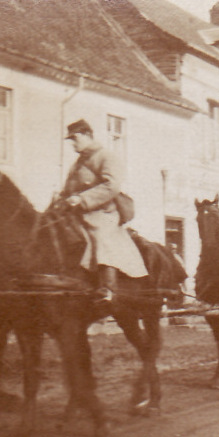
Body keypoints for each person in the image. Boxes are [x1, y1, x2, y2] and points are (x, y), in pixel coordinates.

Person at [60, 119, 148, 303]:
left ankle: (108, 288)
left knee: (100, 236)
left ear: (87, 135)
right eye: (71, 140)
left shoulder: (106, 156)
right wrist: (59, 202)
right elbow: (68, 188)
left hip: (102, 212)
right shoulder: (78, 163)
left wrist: (83, 199)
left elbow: (112, 185)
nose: (73, 144)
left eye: (75, 138)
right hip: (77, 213)